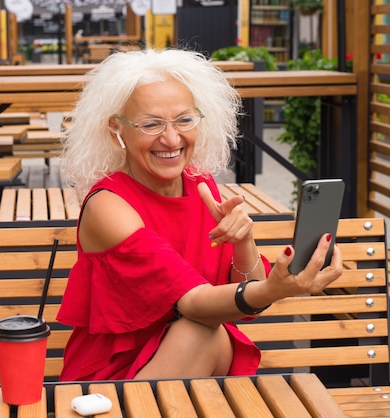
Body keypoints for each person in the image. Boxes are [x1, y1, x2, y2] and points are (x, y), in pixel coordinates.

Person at [56, 48, 342, 381]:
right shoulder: (108, 206)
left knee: (205, 333)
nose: (171, 138)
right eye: (151, 124)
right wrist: (275, 290)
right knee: (201, 331)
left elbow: (244, 299)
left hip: (190, 368)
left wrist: (244, 241)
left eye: (184, 119)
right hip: (114, 382)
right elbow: (192, 303)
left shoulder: (200, 184)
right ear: (116, 129)